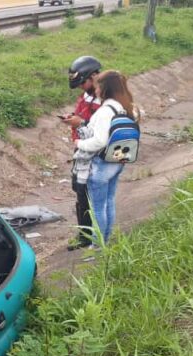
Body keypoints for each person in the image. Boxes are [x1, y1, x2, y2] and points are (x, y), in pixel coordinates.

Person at [75, 70, 137, 245]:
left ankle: (98, 245)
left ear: (105, 89)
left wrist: (80, 143)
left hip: (102, 164)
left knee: (97, 207)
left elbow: (99, 141)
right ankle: (106, 241)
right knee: (109, 201)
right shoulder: (124, 106)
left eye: (98, 87)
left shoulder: (105, 111)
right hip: (118, 159)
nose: (95, 90)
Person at [63, 55, 102, 250]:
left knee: (94, 195)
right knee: (80, 192)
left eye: (82, 82)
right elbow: (83, 118)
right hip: (83, 151)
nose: (81, 87)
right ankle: (85, 235)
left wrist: (82, 123)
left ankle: (96, 237)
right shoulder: (86, 96)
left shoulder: (107, 100)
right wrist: (74, 119)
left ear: (94, 76)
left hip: (99, 154)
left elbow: (104, 131)